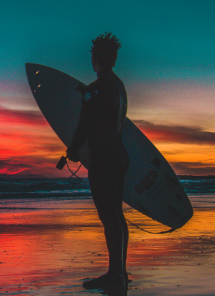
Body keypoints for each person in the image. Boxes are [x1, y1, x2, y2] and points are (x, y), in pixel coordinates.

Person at [66, 32, 129, 293]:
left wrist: (72, 150)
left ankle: (115, 275)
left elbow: (85, 124)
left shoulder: (95, 89)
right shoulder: (118, 86)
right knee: (117, 215)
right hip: (118, 154)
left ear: (96, 58)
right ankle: (120, 271)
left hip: (103, 158)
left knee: (109, 217)